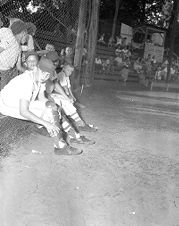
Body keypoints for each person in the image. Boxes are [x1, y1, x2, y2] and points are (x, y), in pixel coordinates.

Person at [0, 56, 82, 155]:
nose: (44, 76)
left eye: (48, 75)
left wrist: (56, 108)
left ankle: (71, 136)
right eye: (42, 72)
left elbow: (42, 98)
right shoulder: (26, 81)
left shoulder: (39, 79)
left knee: (53, 107)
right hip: (7, 105)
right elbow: (23, 111)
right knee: (50, 111)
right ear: (36, 68)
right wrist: (46, 123)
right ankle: (60, 146)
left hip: (20, 104)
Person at [46, 51, 97, 133]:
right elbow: (63, 87)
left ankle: (80, 123)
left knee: (68, 102)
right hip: (51, 94)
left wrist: (71, 96)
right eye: (53, 61)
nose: (55, 63)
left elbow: (67, 87)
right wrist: (68, 96)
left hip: (55, 93)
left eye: (56, 61)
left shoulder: (55, 72)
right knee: (67, 102)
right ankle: (77, 124)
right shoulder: (60, 74)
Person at [0, 20, 28, 90]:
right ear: (23, 33)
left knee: (10, 89)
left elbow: (19, 66)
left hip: (10, 72)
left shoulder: (19, 48)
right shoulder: (11, 39)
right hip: (2, 71)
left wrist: (29, 72)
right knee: (3, 91)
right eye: (26, 36)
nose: (26, 40)